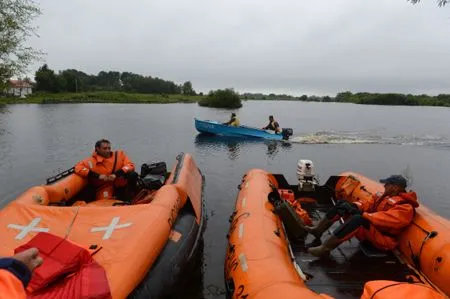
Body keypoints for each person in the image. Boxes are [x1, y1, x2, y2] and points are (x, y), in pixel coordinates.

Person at [306, 174, 419, 257]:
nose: (384, 186)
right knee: (342, 205)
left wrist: (362, 214)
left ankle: (325, 248)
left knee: (358, 219)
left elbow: (386, 219)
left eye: (387, 184)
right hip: (372, 231)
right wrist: (354, 206)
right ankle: (318, 230)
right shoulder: (384, 196)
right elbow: (367, 204)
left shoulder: (405, 207)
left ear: (395, 187)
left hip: (383, 239)